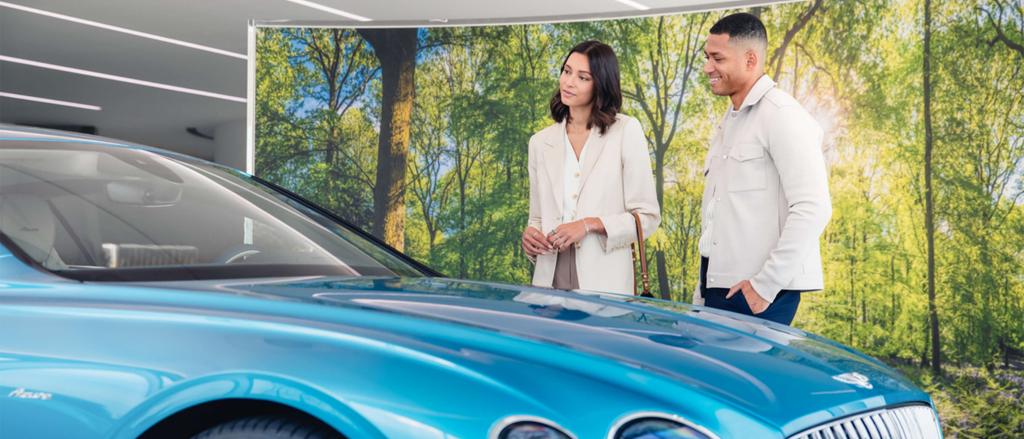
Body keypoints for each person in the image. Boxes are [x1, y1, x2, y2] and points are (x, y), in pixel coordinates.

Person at [693, 13, 832, 325]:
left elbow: (814, 207)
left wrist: (763, 287)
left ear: (750, 59)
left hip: (756, 296)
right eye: (706, 57)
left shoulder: (782, 115)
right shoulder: (729, 122)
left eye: (717, 58)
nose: (707, 68)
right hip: (717, 288)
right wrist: (701, 291)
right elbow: (718, 218)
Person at [521, 40, 660, 295]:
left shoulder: (626, 131)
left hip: (605, 282)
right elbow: (537, 219)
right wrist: (530, 237)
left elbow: (648, 218)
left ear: (601, 84)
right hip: (547, 279)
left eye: (582, 77)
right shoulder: (540, 143)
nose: (569, 82)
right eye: (566, 71)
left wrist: (588, 224)